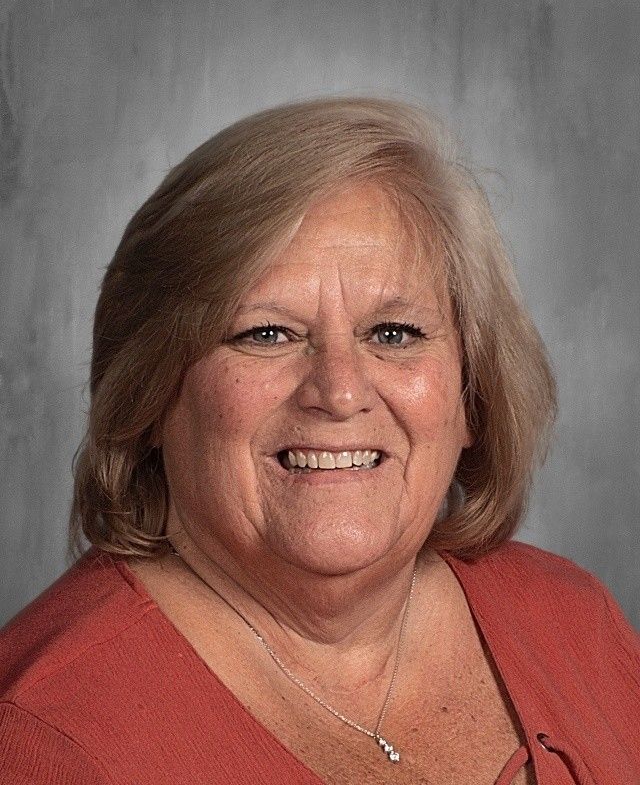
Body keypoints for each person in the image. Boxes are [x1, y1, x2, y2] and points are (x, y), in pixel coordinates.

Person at [0, 97, 638, 785]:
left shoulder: (577, 626)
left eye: (394, 333)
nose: (338, 392)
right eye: (266, 333)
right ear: (152, 394)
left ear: (470, 395)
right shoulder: (46, 736)